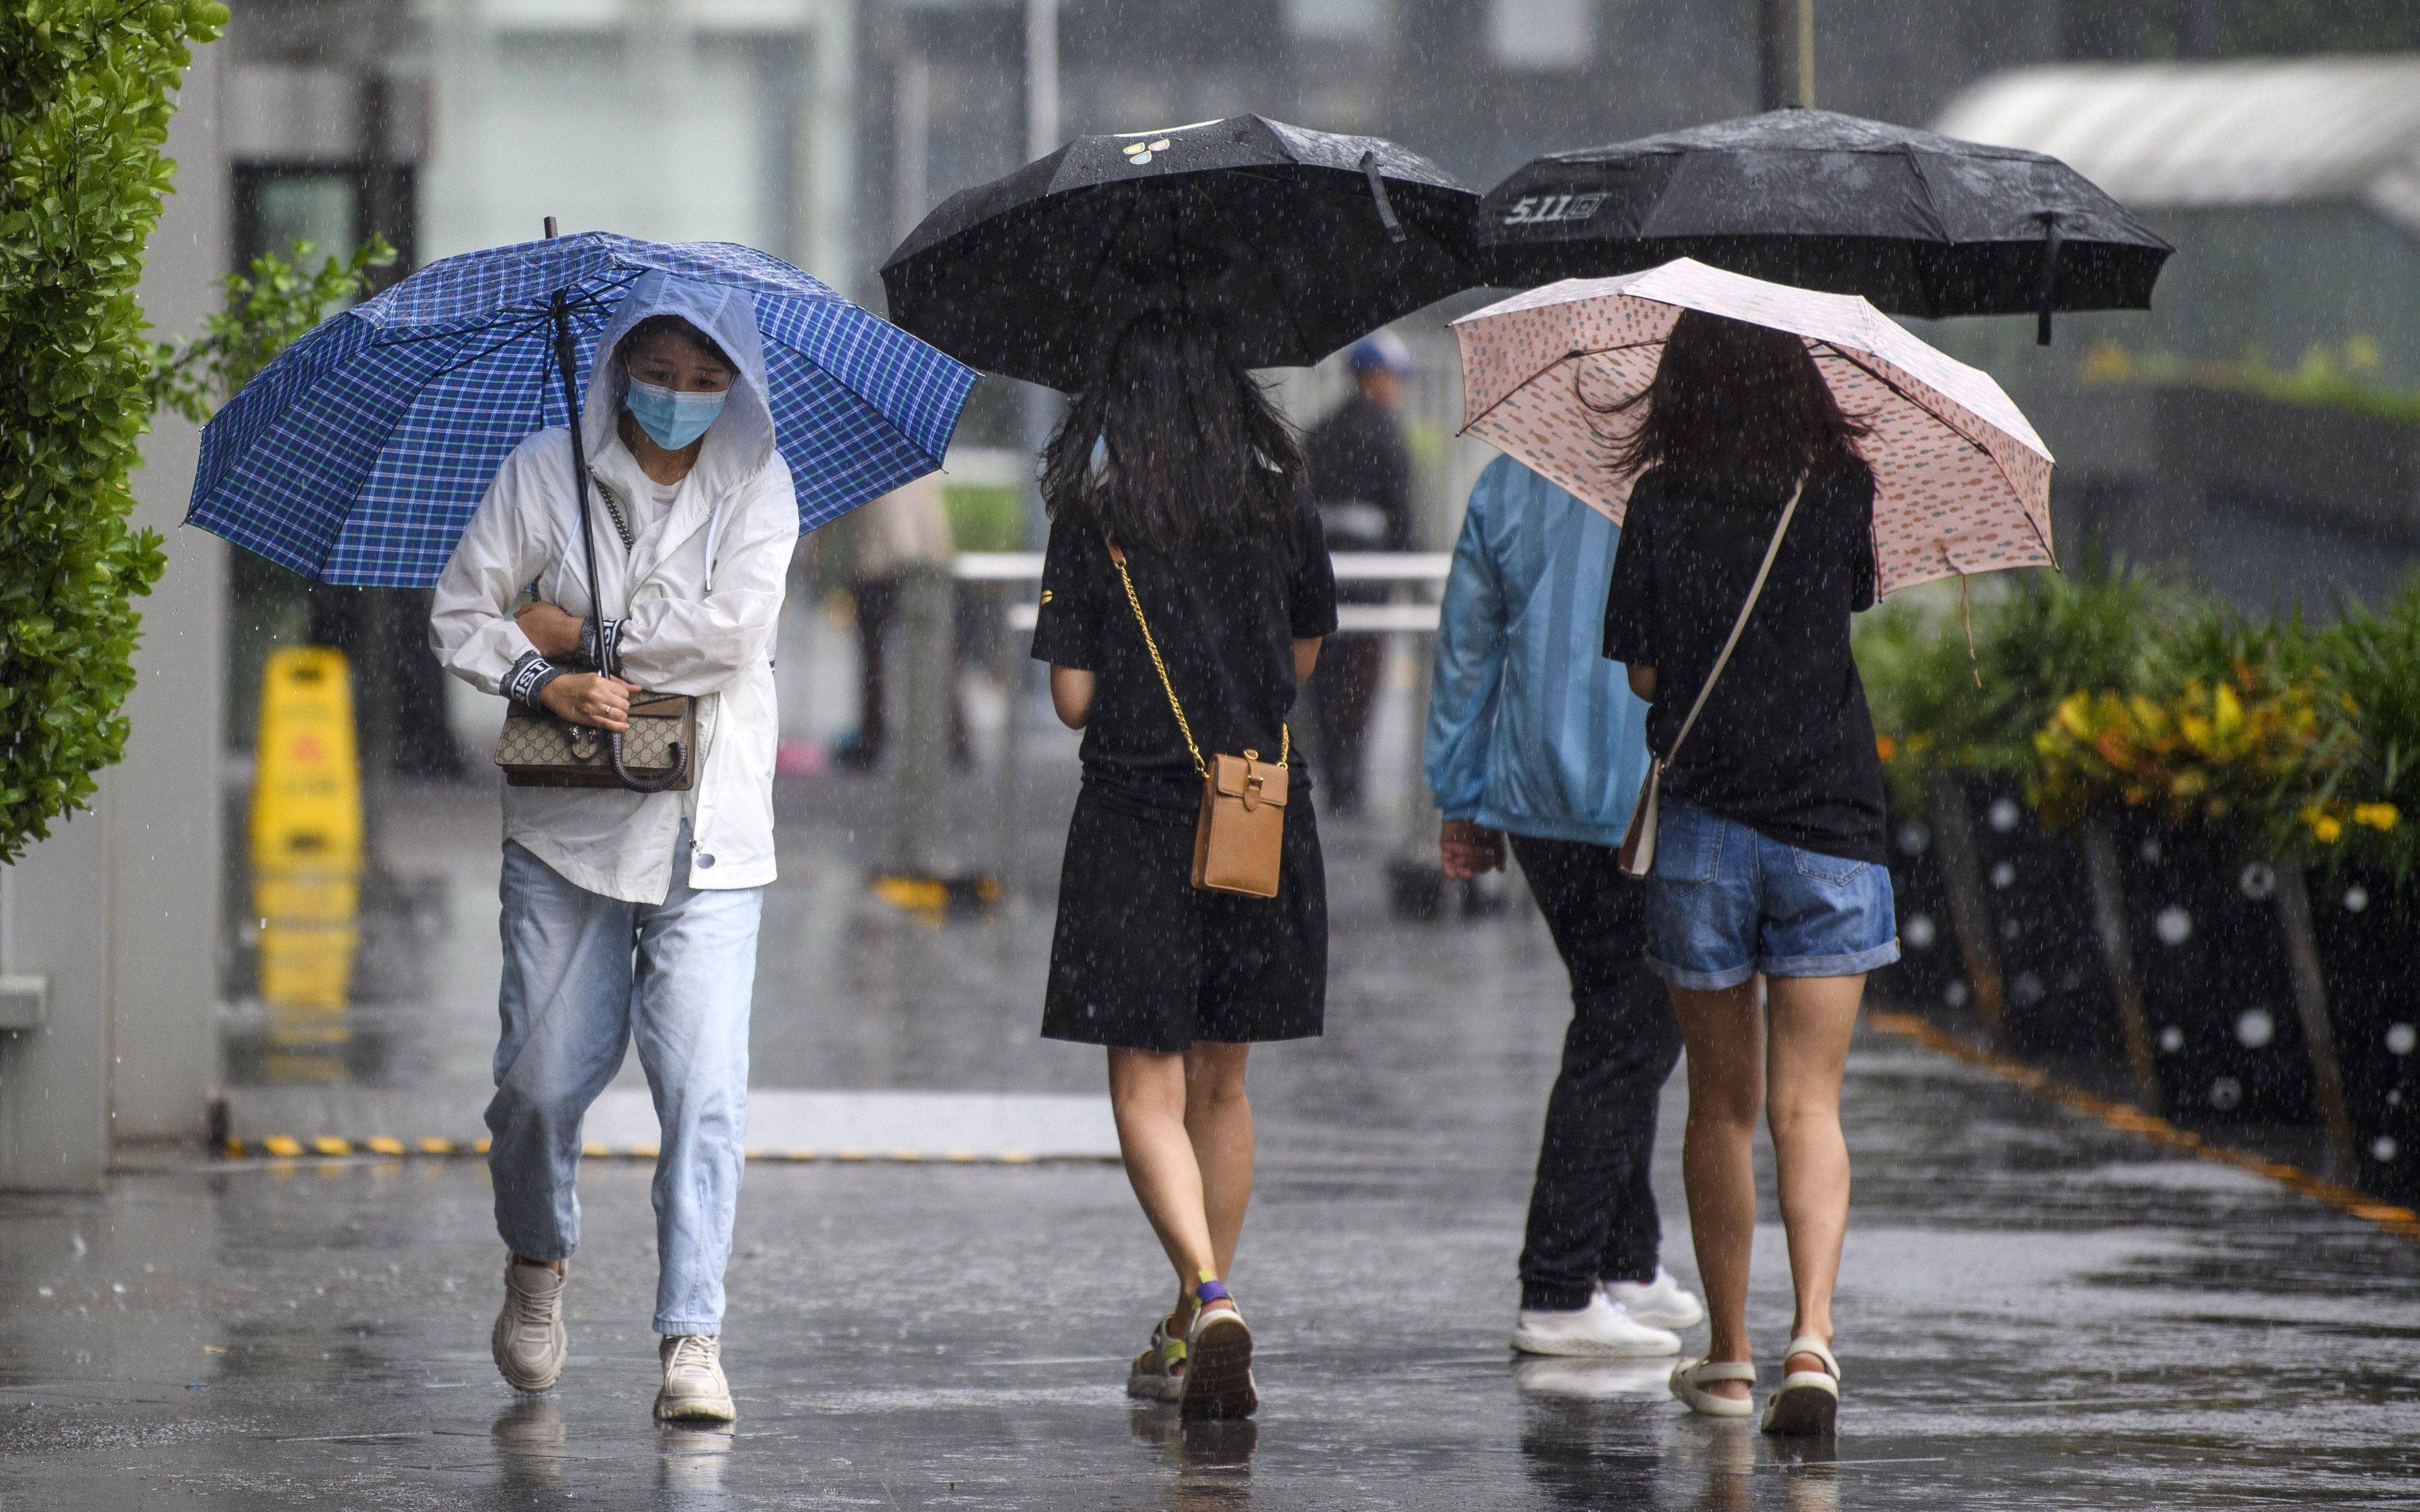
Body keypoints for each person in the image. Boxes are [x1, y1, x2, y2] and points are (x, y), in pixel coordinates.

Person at [431, 272, 800, 1423]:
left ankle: (692, 1332)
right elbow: (462, 609)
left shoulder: (761, 484)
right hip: (567, 830)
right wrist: (544, 673)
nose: (680, 399)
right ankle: (536, 1266)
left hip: (710, 834)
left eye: (704, 382)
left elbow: (733, 637)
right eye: (658, 375)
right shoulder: (545, 472)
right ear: (617, 370)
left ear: (733, 388)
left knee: (702, 1092)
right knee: (538, 1086)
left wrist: (587, 631)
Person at [1031, 309, 1336, 1421]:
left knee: (1144, 1086)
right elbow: (1299, 657)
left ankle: (1207, 1296)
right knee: (1221, 1083)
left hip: (1135, 815)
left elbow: (1071, 698)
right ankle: (1188, 1316)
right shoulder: (1279, 497)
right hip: (1256, 807)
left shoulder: (1096, 516)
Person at [1598, 310, 1896, 1437]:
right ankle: (1808, 1341)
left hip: (1707, 829)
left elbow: (1640, 672)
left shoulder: (1659, 498)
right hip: (1827, 820)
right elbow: (1847, 607)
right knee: (1806, 1103)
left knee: (1719, 1107)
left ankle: (1725, 1356)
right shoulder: (1838, 486)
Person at [1425, 454, 1705, 1362]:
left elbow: (1469, 635)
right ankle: (1556, 1284)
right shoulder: (1680, 468)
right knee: (1634, 1026)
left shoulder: (1513, 469)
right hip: (1645, 785)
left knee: (1612, 1007)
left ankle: (1624, 1261)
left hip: (1535, 790)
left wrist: (1459, 791)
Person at [1302, 330, 1415, 814]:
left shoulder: (1320, 430)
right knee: (1360, 680)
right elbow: (1402, 514)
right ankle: (1352, 778)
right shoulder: (1387, 433)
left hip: (1323, 574)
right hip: (1370, 581)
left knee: (1325, 679)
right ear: (1373, 376)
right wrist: (1406, 567)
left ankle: (1334, 777)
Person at [833, 473, 965, 768]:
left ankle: (874, 739)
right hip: (923, 554)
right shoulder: (915, 441)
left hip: (881, 557)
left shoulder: (867, 442)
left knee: (875, 658)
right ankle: (956, 738)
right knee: (938, 651)